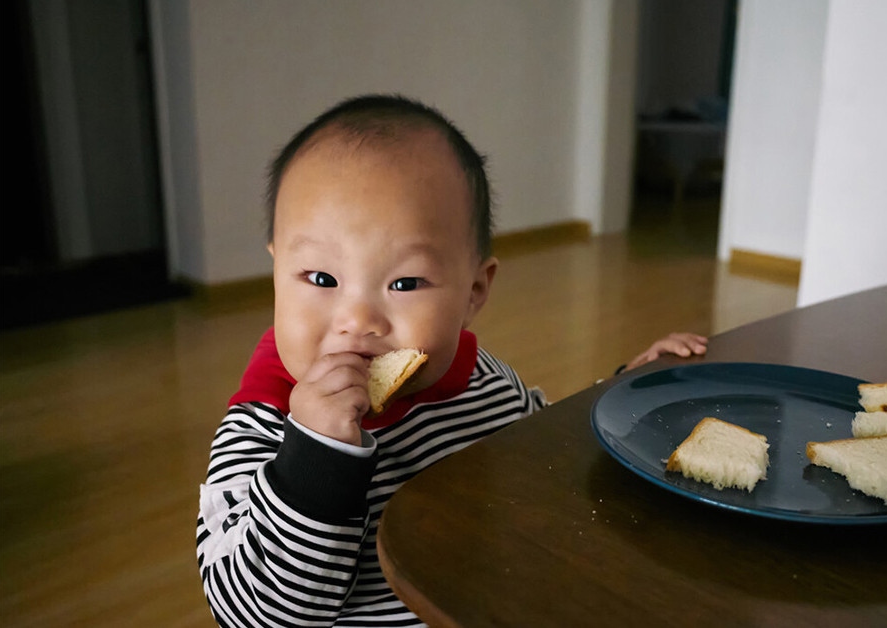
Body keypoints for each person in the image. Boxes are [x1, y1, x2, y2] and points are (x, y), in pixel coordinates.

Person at [196, 94, 707, 627]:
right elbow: (252, 614)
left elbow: (548, 449)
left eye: (405, 282)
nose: (358, 320)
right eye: (322, 279)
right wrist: (316, 460)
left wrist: (624, 392)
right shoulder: (262, 427)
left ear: (474, 292)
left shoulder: (480, 376)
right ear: (277, 268)